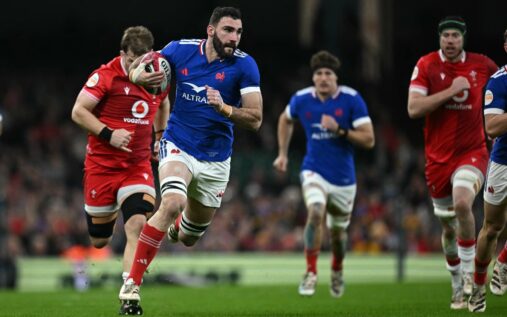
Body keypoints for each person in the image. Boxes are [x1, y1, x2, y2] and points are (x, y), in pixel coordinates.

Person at [119, 6, 262, 314]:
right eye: (228, 30)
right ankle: (132, 285)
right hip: (178, 144)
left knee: (188, 237)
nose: (234, 38)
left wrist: (225, 108)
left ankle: (177, 229)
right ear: (211, 30)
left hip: (215, 160)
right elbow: (142, 67)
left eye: (238, 32)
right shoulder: (179, 50)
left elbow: (256, 118)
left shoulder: (245, 66)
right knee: (170, 203)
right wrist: (137, 75)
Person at [71, 26, 170, 314]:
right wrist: (108, 133)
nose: (138, 66)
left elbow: (163, 103)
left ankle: (130, 293)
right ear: (122, 54)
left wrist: (160, 136)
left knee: (136, 225)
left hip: (137, 166)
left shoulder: (158, 75)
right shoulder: (105, 76)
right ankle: (110, 212)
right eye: (132, 60)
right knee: (100, 240)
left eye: (143, 59)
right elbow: (78, 111)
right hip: (101, 168)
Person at [407, 16, 497, 310]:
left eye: (455, 36)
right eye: (445, 35)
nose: (449, 40)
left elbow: (503, 85)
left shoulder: (482, 65)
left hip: (472, 152)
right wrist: (450, 91)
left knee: (462, 204)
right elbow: (414, 108)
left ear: (463, 39)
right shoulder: (427, 65)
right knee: (447, 228)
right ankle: (457, 282)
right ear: (439, 38)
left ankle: (471, 277)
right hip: (437, 160)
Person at [273, 50, 374, 298]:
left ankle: (337, 269)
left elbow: (369, 139)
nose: (323, 78)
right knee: (315, 212)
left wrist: (340, 130)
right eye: (318, 73)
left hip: (344, 179)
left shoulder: (352, 99)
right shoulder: (301, 99)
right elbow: (285, 120)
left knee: (338, 235)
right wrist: (282, 153)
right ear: (313, 77)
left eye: (328, 73)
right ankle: (311, 273)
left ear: (336, 78)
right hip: (313, 170)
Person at [468, 28, 507, 313]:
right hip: (504, 162)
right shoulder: (499, 82)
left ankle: (503, 263)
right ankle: (478, 286)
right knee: (492, 227)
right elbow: (492, 127)